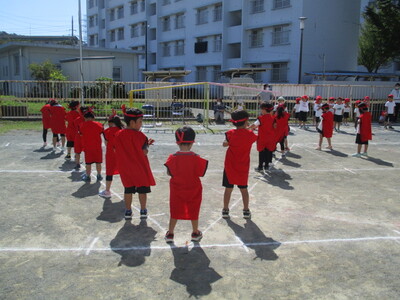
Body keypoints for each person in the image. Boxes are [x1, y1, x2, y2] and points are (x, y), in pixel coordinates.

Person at [164, 126, 208, 243]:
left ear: (177, 142)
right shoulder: (196, 158)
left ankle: (170, 233)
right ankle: (195, 232)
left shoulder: (172, 158)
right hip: (193, 188)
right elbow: (200, 173)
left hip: (177, 189)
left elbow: (169, 173)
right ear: (192, 143)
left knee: (175, 210)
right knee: (194, 210)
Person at [115, 105, 156, 220]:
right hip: (139, 168)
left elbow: (116, 148)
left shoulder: (118, 134)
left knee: (128, 190)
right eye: (140, 121)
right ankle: (143, 210)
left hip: (125, 168)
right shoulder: (141, 136)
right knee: (142, 190)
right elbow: (144, 152)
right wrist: (147, 144)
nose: (141, 124)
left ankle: (128, 211)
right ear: (132, 123)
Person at [221, 110, 257, 220]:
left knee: (228, 188)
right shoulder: (250, 134)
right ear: (246, 121)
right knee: (244, 189)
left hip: (230, 165)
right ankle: (246, 210)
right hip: (243, 166)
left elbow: (224, 144)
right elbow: (249, 136)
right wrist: (249, 129)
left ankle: (225, 210)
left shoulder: (230, 133)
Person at [99, 111, 124, 198]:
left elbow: (106, 143)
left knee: (109, 172)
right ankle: (128, 189)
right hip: (121, 155)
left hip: (110, 155)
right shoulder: (122, 131)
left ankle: (107, 191)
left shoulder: (107, 131)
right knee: (123, 172)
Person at [79, 109, 104, 182]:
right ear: (93, 118)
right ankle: (99, 175)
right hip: (97, 147)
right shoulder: (99, 124)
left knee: (88, 163)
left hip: (88, 147)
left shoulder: (82, 125)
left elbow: (81, 133)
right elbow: (101, 132)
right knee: (98, 162)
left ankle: (88, 176)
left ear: (85, 118)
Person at [250, 102, 276, 172]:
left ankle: (260, 166)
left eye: (261, 109)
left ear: (264, 110)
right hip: (270, 138)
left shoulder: (261, 118)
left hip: (262, 138)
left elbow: (254, 125)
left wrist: (248, 127)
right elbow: (275, 127)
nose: (261, 110)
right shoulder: (273, 118)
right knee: (268, 151)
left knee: (261, 152)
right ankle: (266, 165)